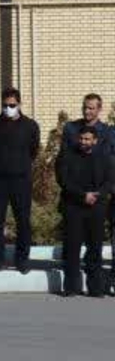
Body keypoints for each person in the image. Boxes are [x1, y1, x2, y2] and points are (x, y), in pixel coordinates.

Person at [0, 88, 41, 273]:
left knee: (23, 220)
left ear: (19, 104)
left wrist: (20, 165)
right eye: (5, 105)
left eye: (12, 105)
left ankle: (22, 259)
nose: (8, 108)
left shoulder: (30, 125)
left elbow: (33, 151)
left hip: (21, 179)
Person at [56, 123, 114, 297]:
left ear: (95, 141)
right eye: (81, 138)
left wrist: (97, 194)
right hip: (73, 206)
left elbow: (109, 181)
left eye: (87, 139)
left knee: (94, 248)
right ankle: (71, 287)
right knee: (72, 247)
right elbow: (64, 180)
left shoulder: (104, 158)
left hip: (96, 207)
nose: (83, 142)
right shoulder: (68, 156)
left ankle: (95, 288)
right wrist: (82, 195)